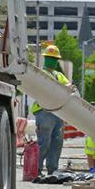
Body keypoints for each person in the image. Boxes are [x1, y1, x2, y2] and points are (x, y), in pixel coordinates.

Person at [31, 45, 70, 176]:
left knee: (56, 142)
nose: (52, 61)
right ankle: (37, 169)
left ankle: (52, 169)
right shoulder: (40, 74)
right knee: (44, 142)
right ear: (45, 59)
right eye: (49, 58)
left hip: (58, 113)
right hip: (44, 111)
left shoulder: (59, 75)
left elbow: (68, 87)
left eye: (54, 59)